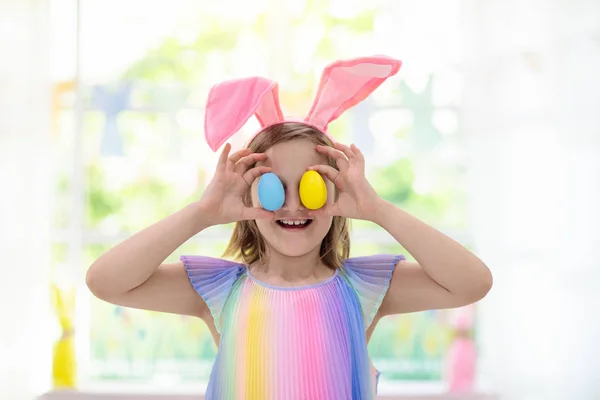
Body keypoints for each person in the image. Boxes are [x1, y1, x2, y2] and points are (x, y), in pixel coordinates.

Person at [86, 56, 492, 400]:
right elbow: (106, 281)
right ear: (249, 198)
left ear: (336, 195)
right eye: (272, 188)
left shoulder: (362, 287)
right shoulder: (222, 289)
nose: (294, 204)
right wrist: (203, 212)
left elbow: (472, 283)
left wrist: (379, 209)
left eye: (313, 188)